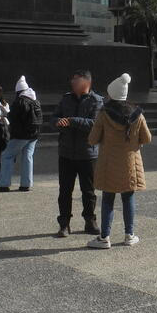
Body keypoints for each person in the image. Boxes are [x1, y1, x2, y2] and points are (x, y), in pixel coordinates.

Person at [87, 74, 152, 249]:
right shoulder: (137, 114)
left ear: (111, 94)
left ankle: (104, 238)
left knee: (108, 199)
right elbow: (147, 138)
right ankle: (129, 235)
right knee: (128, 197)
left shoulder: (104, 114)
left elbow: (92, 139)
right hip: (130, 164)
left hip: (108, 164)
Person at [54, 69, 105, 237]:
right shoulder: (66, 99)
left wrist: (71, 121)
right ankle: (64, 224)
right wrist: (58, 122)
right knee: (65, 191)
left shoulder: (97, 101)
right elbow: (53, 118)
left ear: (86, 81)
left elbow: (95, 124)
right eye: (72, 79)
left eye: (76, 79)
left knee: (88, 191)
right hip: (66, 153)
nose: (72, 82)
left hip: (88, 154)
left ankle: (90, 221)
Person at [0, 76, 42, 192]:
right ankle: (26, 184)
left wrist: (5, 115)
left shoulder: (20, 101)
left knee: (7, 156)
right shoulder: (35, 101)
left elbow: (13, 118)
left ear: (18, 91)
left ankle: (3, 184)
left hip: (21, 135)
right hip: (34, 135)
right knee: (27, 157)